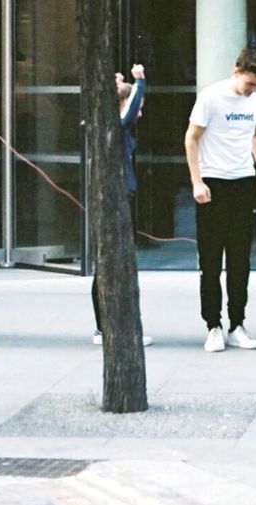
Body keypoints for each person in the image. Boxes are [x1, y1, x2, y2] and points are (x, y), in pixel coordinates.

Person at [185, 48, 256, 353]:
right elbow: (191, 138)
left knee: (240, 260)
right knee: (210, 261)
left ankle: (237, 324)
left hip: (243, 182)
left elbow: (255, 133)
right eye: (249, 84)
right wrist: (197, 181)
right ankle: (213, 325)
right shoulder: (211, 97)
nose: (252, 91)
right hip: (213, 183)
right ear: (237, 72)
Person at [92, 64, 154, 347]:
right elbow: (128, 115)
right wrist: (139, 82)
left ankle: (109, 327)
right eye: (139, 107)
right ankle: (105, 328)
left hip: (121, 195)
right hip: (115, 198)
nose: (140, 114)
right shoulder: (113, 125)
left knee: (115, 263)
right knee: (110, 264)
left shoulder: (112, 126)